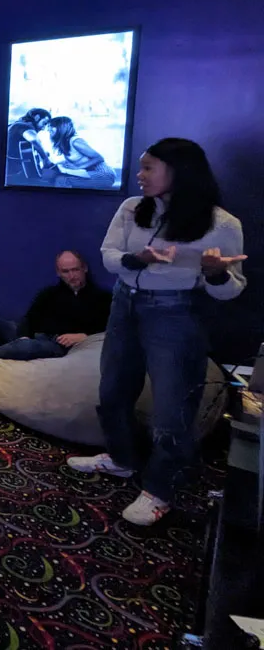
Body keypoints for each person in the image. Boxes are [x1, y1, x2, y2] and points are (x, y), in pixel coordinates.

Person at [68, 138, 246, 526]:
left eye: (148, 167)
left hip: (177, 313)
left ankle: (160, 490)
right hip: (124, 303)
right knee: (112, 390)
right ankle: (121, 458)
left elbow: (233, 289)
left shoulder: (222, 224)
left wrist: (216, 274)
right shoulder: (132, 209)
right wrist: (140, 258)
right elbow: (110, 257)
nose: (139, 175)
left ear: (179, 171)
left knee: (173, 408)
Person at [0, 250, 112, 397]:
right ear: (59, 273)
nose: (72, 276)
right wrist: (24, 336)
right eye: (66, 271)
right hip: (31, 335)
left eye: (75, 270)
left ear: (84, 269)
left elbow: (110, 328)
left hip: (55, 343)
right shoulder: (49, 293)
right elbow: (29, 318)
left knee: (27, 347)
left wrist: (83, 336)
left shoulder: (101, 298)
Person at [44, 117, 117, 188]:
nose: (48, 129)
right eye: (49, 126)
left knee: (62, 180)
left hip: (103, 174)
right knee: (56, 177)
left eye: (52, 126)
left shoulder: (76, 142)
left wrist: (78, 167)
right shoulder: (65, 142)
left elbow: (99, 158)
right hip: (90, 173)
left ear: (61, 127)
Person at [6, 108, 53, 183]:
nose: (44, 128)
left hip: (10, 174)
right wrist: (45, 158)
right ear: (37, 117)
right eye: (44, 123)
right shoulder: (24, 125)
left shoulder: (13, 125)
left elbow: (25, 149)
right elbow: (33, 139)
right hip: (18, 175)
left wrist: (41, 152)